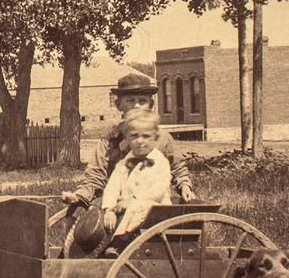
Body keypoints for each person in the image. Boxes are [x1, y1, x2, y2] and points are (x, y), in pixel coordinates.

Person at [63, 68, 194, 209]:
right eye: (131, 101)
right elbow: (95, 174)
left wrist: (185, 186)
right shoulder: (110, 140)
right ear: (119, 105)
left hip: (153, 201)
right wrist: (82, 194)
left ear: (151, 105)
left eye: (142, 101)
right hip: (118, 201)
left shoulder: (162, 138)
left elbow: (177, 168)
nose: (136, 106)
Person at [99, 109, 172, 239]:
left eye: (146, 136)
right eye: (134, 136)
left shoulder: (161, 162)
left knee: (144, 206)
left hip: (155, 213)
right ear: (127, 138)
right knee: (107, 213)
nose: (140, 141)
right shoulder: (123, 164)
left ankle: (121, 239)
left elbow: (158, 190)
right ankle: (111, 238)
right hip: (125, 212)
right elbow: (111, 188)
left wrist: (132, 200)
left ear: (155, 138)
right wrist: (109, 209)